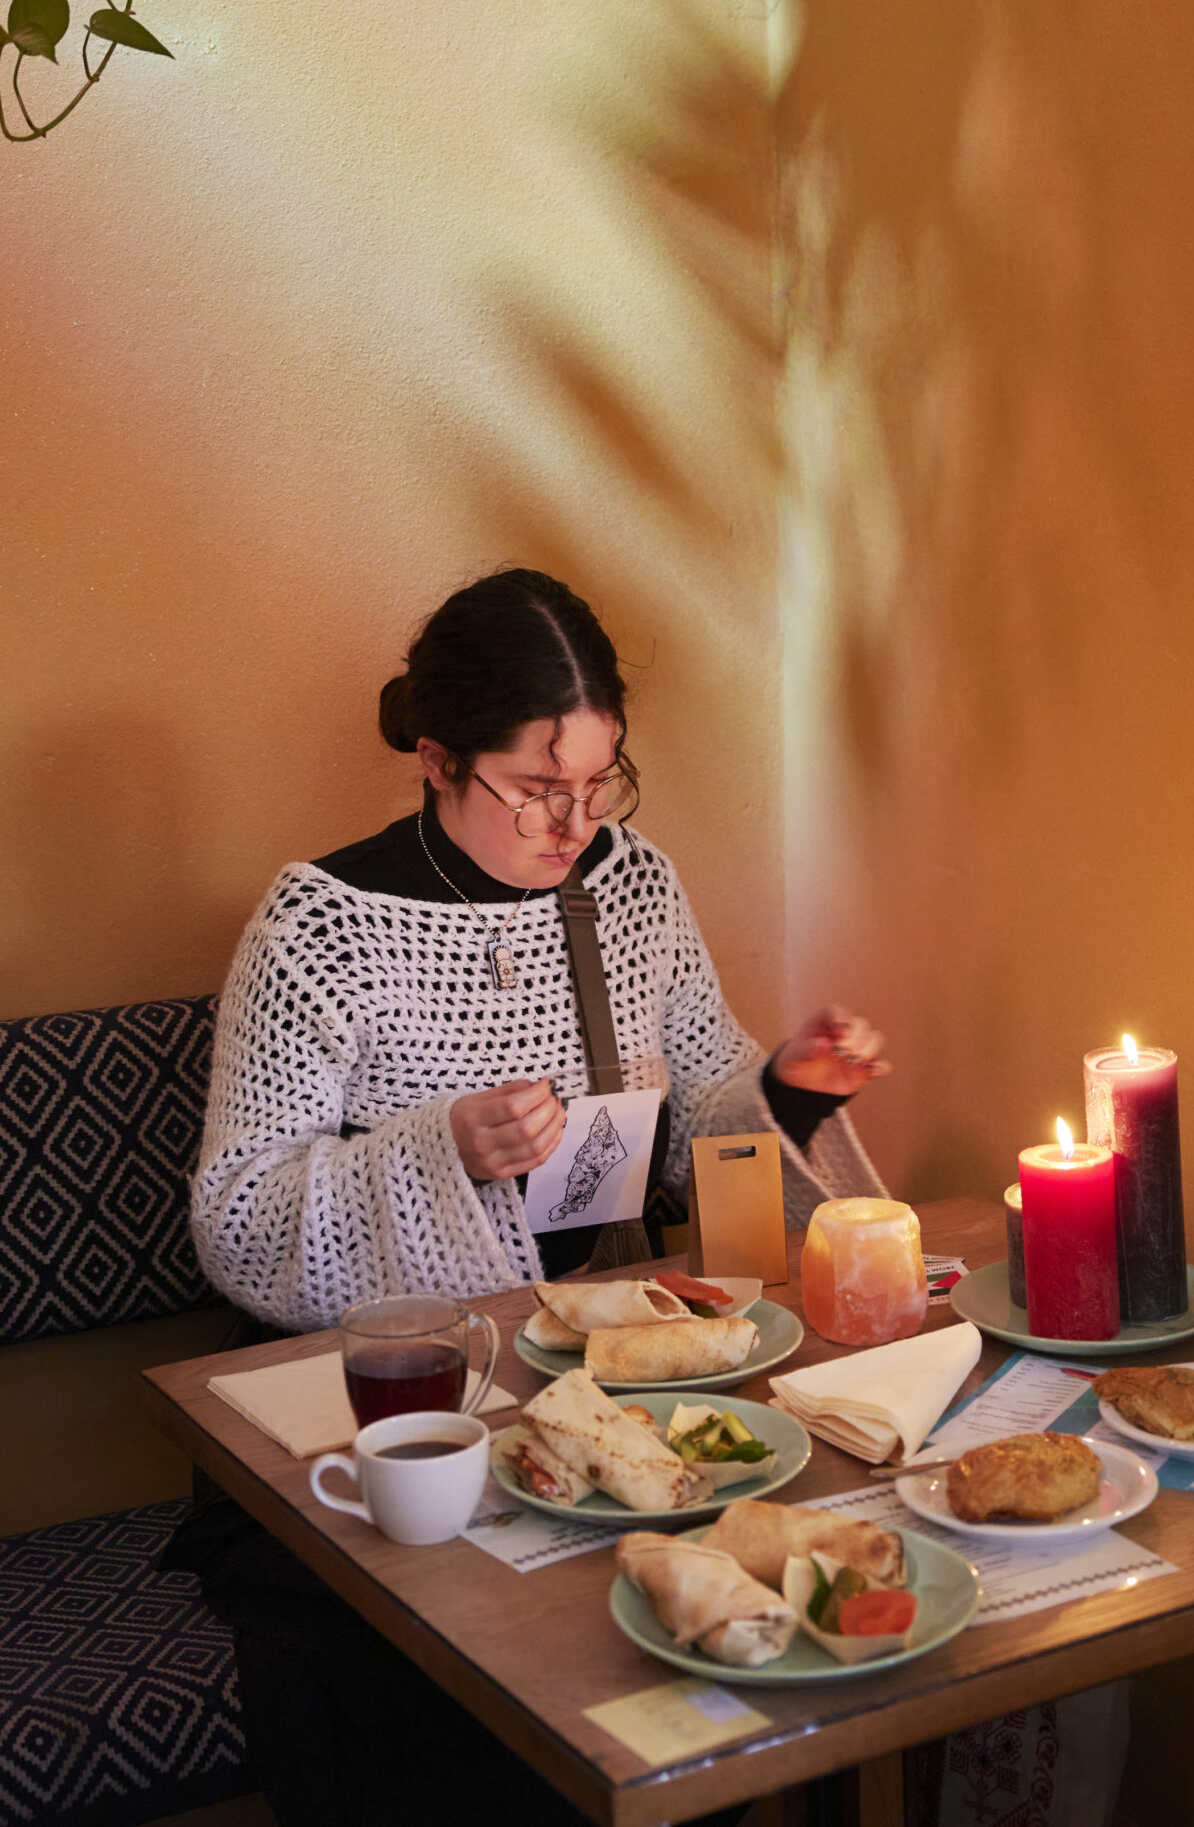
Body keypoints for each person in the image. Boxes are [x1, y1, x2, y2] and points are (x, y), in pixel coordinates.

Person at [168, 568, 891, 1827]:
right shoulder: (322, 925)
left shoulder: (635, 885)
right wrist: (436, 1143)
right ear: (439, 759)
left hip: (614, 1374)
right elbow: (236, 1211)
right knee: (478, 1703)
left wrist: (785, 1087)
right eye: (534, 787)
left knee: (731, 1606)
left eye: (597, 780)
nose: (572, 821)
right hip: (387, 1407)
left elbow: (699, 1116)